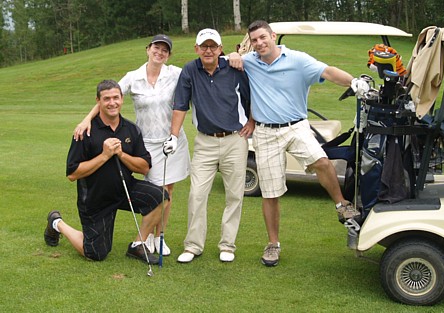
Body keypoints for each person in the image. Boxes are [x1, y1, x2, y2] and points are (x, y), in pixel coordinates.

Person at [227, 20, 370, 266]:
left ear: (272, 36)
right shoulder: (249, 62)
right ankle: (273, 244)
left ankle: (342, 204)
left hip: (296, 126)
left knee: (322, 162)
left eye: (264, 37)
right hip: (265, 132)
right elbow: (227, 58)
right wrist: (232, 54)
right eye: (255, 40)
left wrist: (353, 82)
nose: (260, 43)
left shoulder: (298, 60)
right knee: (270, 194)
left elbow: (328, 71)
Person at [73, 34, 190, 256]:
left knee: (168, 190)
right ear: (148, 49)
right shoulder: (133, 77)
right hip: (144, 143)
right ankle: (145, 238)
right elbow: (110, 97)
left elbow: (197, 75)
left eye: (165, 50)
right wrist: (87, 119)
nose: (160, 52)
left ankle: (158, 237)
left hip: (172, 141)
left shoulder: (175, 73)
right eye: (156, 48)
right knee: (156, 190)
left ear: (169, 54)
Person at [44, 79, 167, 264]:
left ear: (122, 99)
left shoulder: (131, 129)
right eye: (106, 98)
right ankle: (57, 222)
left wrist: (121, 154)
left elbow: (144, 166)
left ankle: (137, 245)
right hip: (95, 198)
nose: (112, 103)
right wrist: (104, 155)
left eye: (115, 98)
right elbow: (72, 173)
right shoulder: (84, 131)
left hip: (124, 190)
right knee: (95, 253)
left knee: (160, 197)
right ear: (98, 101)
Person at [164, 28, 252, 263]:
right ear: (196, 49)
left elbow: (251, 97)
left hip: (235, 140)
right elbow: (181, 105)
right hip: (205, 142)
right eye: (204, 46)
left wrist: (252, 122)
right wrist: (173, 136)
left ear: (220, 49)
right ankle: (193, 245)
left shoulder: (234, 68)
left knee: (234, 195)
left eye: (213, 46)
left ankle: (227, 245)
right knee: (197, 195)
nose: (208, 50)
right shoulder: (190, 71)